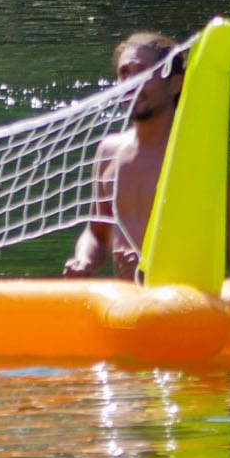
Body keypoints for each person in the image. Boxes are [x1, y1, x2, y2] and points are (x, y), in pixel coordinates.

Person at [62, 31, 184, 281]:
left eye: (141, 72)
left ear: (176, 83)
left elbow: (228, 245)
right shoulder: (108, 151)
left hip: (180, 303)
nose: (130, 82)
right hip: (126, 303)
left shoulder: (192, 151)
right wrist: (84, 260)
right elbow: (96, 232)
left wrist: (158, 264)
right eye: (124, 74)